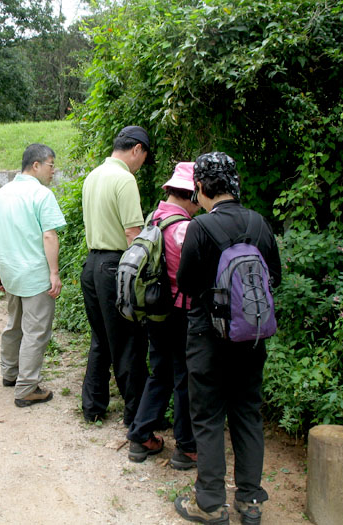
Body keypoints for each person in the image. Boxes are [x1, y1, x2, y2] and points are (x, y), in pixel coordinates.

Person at [174, 152, 281, 525]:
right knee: (247, 413)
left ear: (200, 187)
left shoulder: (200, 228)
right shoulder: (259, 223)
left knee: (207, 417)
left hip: (208, 336)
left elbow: (186, 284)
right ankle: (250, 501)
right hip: (252, 337)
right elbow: (275, 278)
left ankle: (210, 503)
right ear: (236, 183)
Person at [126, 162, 200, 467]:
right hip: (179, 313)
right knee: (183, 378)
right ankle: (187, 446)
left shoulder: (153, 218)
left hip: (154, 312)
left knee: (160, 373)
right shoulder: (184, 227)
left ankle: (140, 435)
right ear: (190, 194)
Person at [80, 125, 153, 426]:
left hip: (91, 266)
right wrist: (142, 279)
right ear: (136, 149)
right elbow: (132, 234)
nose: (142, 164)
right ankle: (137, 415)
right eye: (143, 157)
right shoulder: (124, 179)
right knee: (128, 343)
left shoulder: (93, 176)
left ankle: (93, 407)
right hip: (114, 267)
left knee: (102, 338)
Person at [0, 143, 66, 407]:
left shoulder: (2, 193)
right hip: (34, 275)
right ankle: (26, 388)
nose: (53, 171)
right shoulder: (41, 195)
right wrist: (54, 273)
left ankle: (9, 374)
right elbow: (49, 234)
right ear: (36, 165)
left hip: (10, 272)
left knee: (14, 325)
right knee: (35, 331)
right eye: (51, 165)